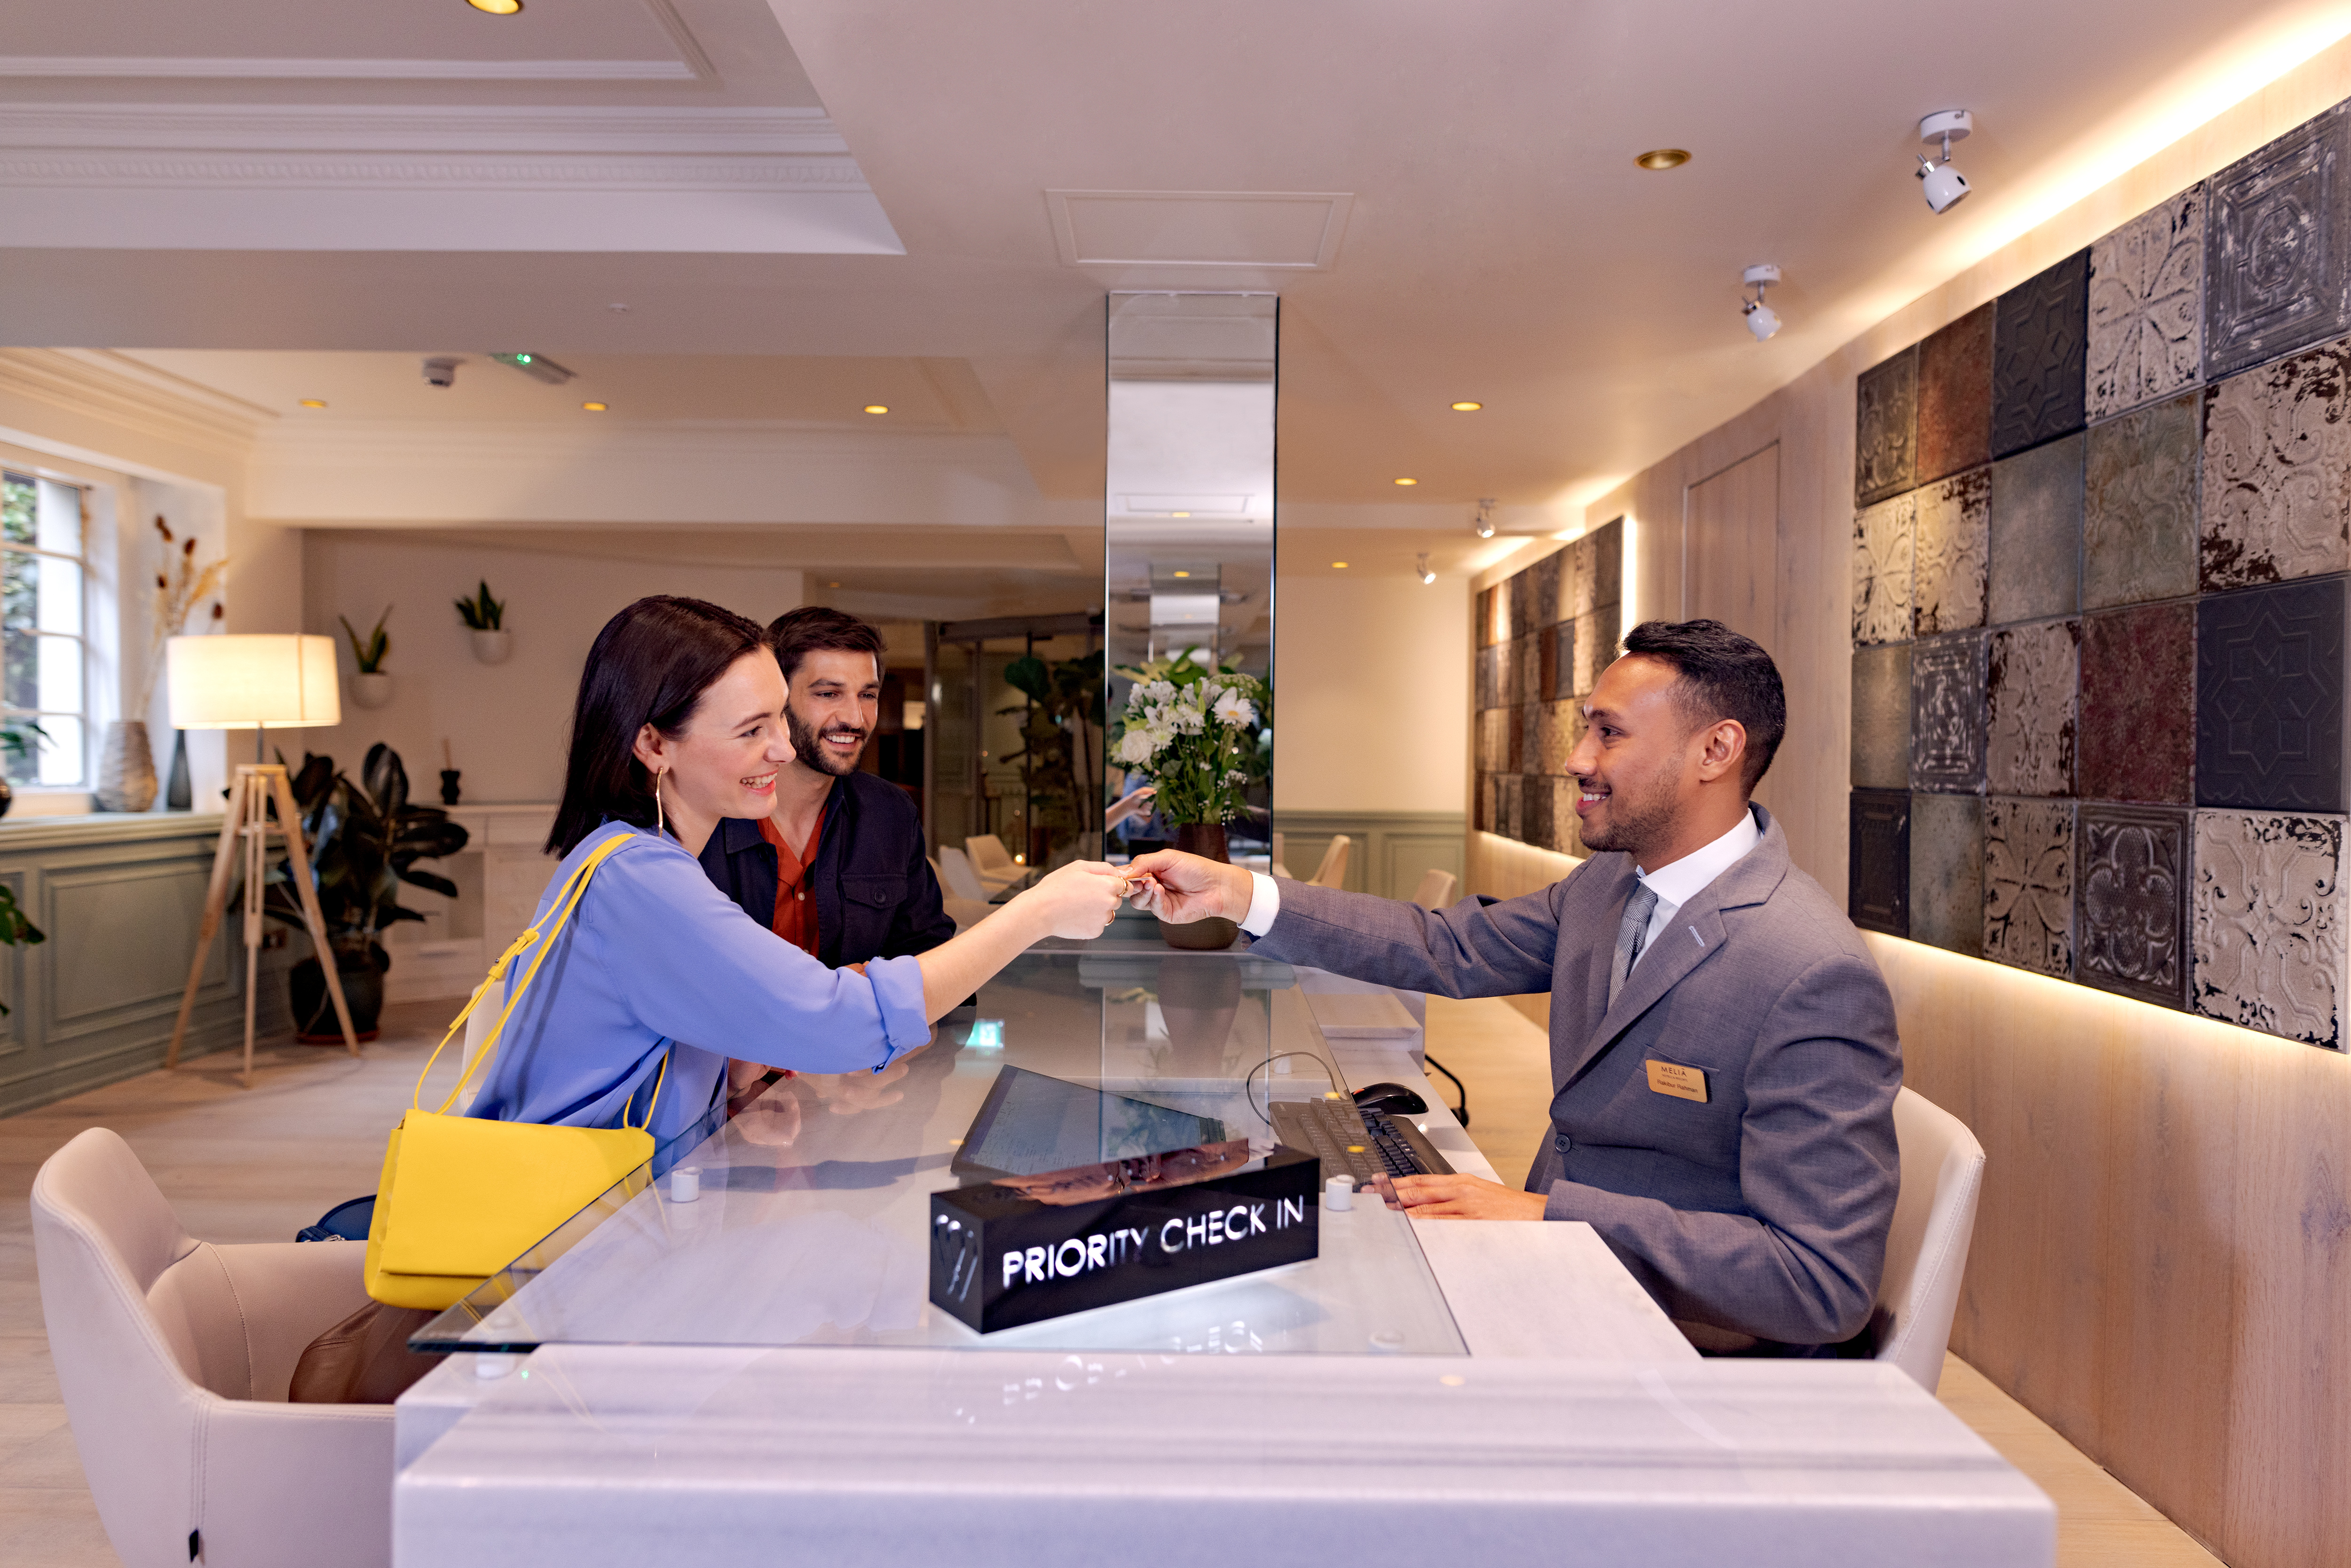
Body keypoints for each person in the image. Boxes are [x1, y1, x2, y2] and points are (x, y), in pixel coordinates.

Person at [1125, 619, 1901, 1355]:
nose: (1576, 758)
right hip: (1544, 1273)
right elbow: (1446, 946)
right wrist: (1239, 894)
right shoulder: (1607, 888)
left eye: (1609, 732)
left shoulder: (1811, 970)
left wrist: (1549, 1215)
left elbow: (1819, 1285)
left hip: (1671, 1343)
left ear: (1717, 750)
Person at [465, 596, 1126, 1146]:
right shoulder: (642, 881)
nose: (782, 748)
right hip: (573, 1250)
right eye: (753, 729)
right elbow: (844, 1019)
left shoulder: (624, 858)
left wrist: (724, 1083)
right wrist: (1038, 910)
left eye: (779, 718)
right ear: (654, 744)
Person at [695, 607, 955, 969]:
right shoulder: (704, 813)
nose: (855, 718)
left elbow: (932, 955)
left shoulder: (891, 814)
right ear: (777, 700)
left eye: (868, 695)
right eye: (829, 694)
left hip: (859, 1029)